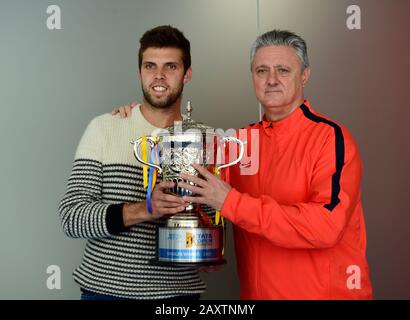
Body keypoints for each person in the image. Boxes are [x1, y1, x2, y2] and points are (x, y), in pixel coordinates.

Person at [116, 29, 374, 299]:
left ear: (305, 75)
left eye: (283, 70)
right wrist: (141, 115)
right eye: (261, 70)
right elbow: (197, 185)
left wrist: (232, 203)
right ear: (253, 76)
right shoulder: (238, 143)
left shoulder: (330, 138)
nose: (271, 80)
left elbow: (325, 228)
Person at [58, 25, 212, 300]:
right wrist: (145, 209)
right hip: (106, 292)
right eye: (150, 66)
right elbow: (72, 217)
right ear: (140, 72)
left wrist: (205, 248)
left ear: (187, 74)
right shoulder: (105, 128)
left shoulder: (204, 140)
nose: (159, 76)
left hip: (177, 295)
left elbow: (211, 223)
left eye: (171, 67)